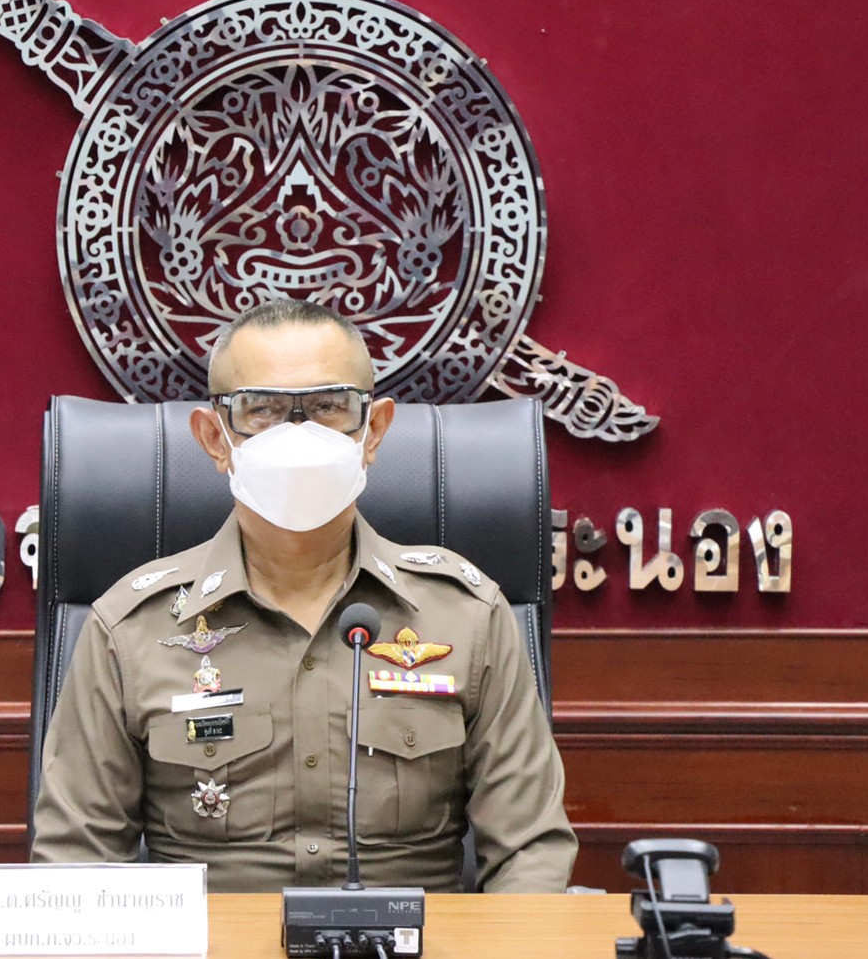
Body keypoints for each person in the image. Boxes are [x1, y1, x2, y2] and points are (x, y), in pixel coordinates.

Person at [30, 299, 577, 892]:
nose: (297, 434)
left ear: (374, 431)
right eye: (261, 409)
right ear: (215, 439)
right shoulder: (131, 630)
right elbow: (76, 870)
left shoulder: (466, 616)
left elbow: (529, 853)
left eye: (328, 407)